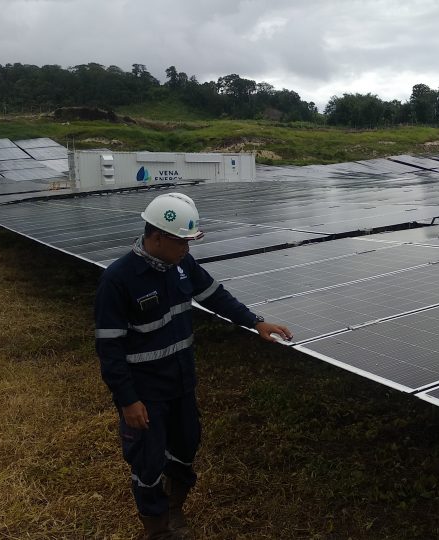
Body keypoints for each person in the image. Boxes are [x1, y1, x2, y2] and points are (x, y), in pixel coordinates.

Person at [94, 192, 292, 539]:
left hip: (181, 382)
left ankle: (174, 509)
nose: (188, 248)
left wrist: (255, 321)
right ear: (157, 237)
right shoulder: (119, 279)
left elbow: (214, 294)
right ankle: (155, 530)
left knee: (186, 447)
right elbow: (109, 348)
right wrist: (128, 400)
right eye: (182, 241)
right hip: (145, 391)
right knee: (148, 462)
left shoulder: (182, 265)